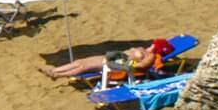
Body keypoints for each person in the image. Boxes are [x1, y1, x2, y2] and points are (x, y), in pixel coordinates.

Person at [39, 38, 174, 80]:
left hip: (119, 62)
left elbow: (142, 66)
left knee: (84, 67)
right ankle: (54, 70)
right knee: (81, 61)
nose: (151, 44)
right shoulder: (143, 49)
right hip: (114, 56)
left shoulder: (150, 56)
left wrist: (126, 63)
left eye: (154, 44)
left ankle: (57, 74)